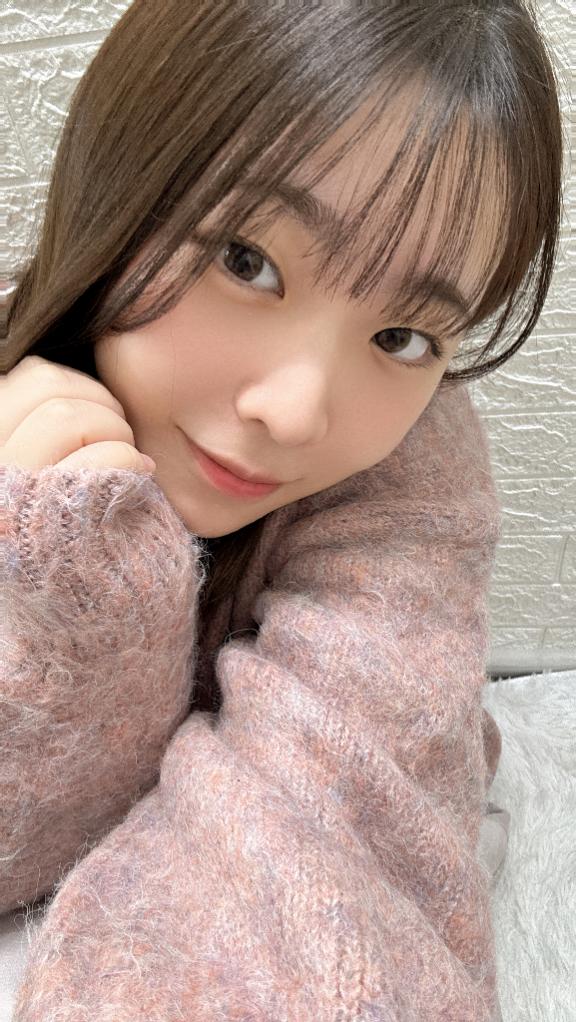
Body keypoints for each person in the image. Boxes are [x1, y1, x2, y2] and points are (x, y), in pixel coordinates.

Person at [0, 1, 562, 1018]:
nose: (298, 410)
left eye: (402, 336)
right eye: (246, 260)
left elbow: (333, 865)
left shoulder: (413, 480)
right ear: (117, 182)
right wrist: (72, 605)